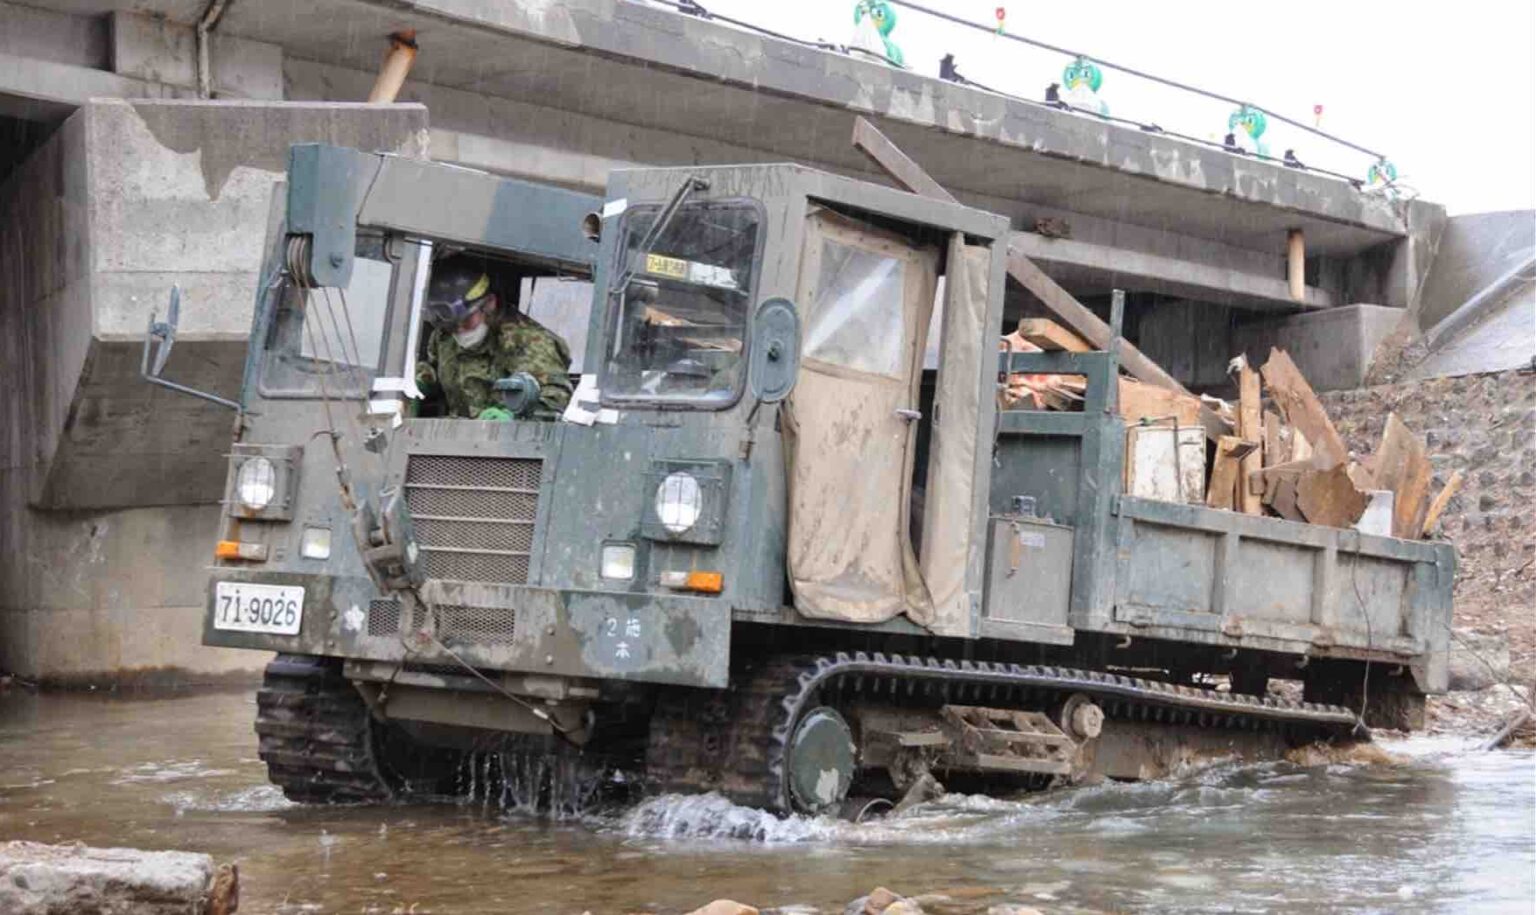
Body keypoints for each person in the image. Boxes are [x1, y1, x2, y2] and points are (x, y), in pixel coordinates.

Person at [415, 258, 573, 420]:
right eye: (451, 324)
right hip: (452, 436)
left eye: (467, 320)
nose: (459, 329)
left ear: (489, 304)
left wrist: (512, 417)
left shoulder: (527, 341)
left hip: (508, 441)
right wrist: (419, 382)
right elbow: (433, 367)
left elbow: (556, 397)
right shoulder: (444, 336)